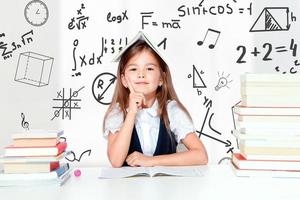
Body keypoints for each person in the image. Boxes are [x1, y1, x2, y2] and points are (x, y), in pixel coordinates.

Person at [103, 32, 208, 168]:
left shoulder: (171, 110)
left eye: (150, 68)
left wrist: (150, 161)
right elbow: (116, 161)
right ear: (124, 80)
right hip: (128, 188)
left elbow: (201, 156)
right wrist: (131, 114)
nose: (141, 74)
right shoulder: (118, 113)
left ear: (161, 79)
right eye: (134, 69)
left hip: (166, 187)